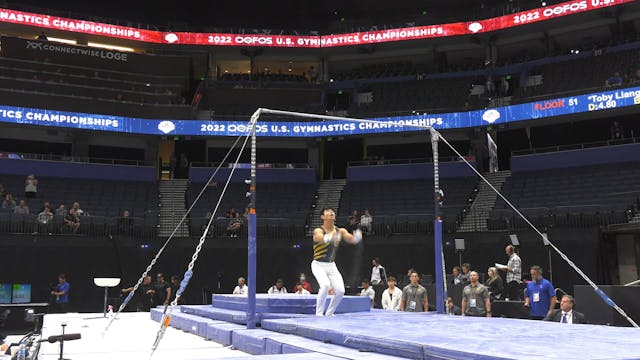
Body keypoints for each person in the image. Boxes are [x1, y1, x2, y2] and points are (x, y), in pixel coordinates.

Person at [311, 207, 362, 316]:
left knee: (340, 291)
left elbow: (350, 238)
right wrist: (329, 237)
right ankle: (319, 314)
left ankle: (329, 313)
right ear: (322, 217)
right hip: (318, 264)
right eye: (328, 212)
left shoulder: (340, 231)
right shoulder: (318, 230)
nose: (331, 213)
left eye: (332, 212)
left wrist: (356, 238)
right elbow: (318, 238)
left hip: (331, 265)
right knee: (325, 285)